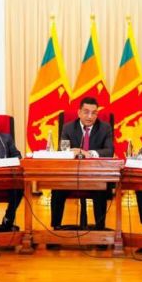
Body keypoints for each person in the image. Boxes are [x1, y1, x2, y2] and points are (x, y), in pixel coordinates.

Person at [50, 97, 114, 230]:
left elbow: (109, 151)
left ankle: (100, 230)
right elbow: (62, 151)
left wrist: (88, 153)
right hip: (71, 176)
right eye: (86, 112)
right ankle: (56, 228)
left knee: (101, 188)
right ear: (79, 113)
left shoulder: (104, 128)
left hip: (95, 176)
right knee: (56, 188)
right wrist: (75, 152)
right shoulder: (68, 128)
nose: (90, 116)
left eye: (94, 113)